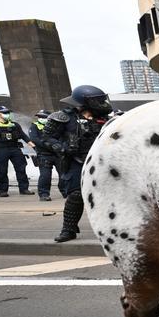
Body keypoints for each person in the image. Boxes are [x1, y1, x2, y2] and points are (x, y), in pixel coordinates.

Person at [47, 86, 112, 242]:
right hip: (76, 160)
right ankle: (68, 229)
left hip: (101, 161)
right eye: (98, 100)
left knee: (107, 195)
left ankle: (111, 229)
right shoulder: (63, 117)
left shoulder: (107, 118)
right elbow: (48, 137)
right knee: (76, 195)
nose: (102, 103)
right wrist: (60, 147)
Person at [0, 107, 31, 197]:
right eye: (5, 112)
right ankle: (3, 190)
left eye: (8, 112)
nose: (7, 114)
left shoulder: (14, 124)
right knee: (2, 171)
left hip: (15, 148)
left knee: (21, 169)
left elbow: (23, 135)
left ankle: (24, 189)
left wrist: (32, 144)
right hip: (0, 149)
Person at [27, 109, 55, 201]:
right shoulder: (34, 126)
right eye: (40, 117)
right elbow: (34, 139)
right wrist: (47, 145)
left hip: (56, 153)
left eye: (43, 117)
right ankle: (44, 194)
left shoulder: (55, 125)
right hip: (44, 153)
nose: (41, 118)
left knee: (64, 174)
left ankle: (66, 192)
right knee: (45, 175)